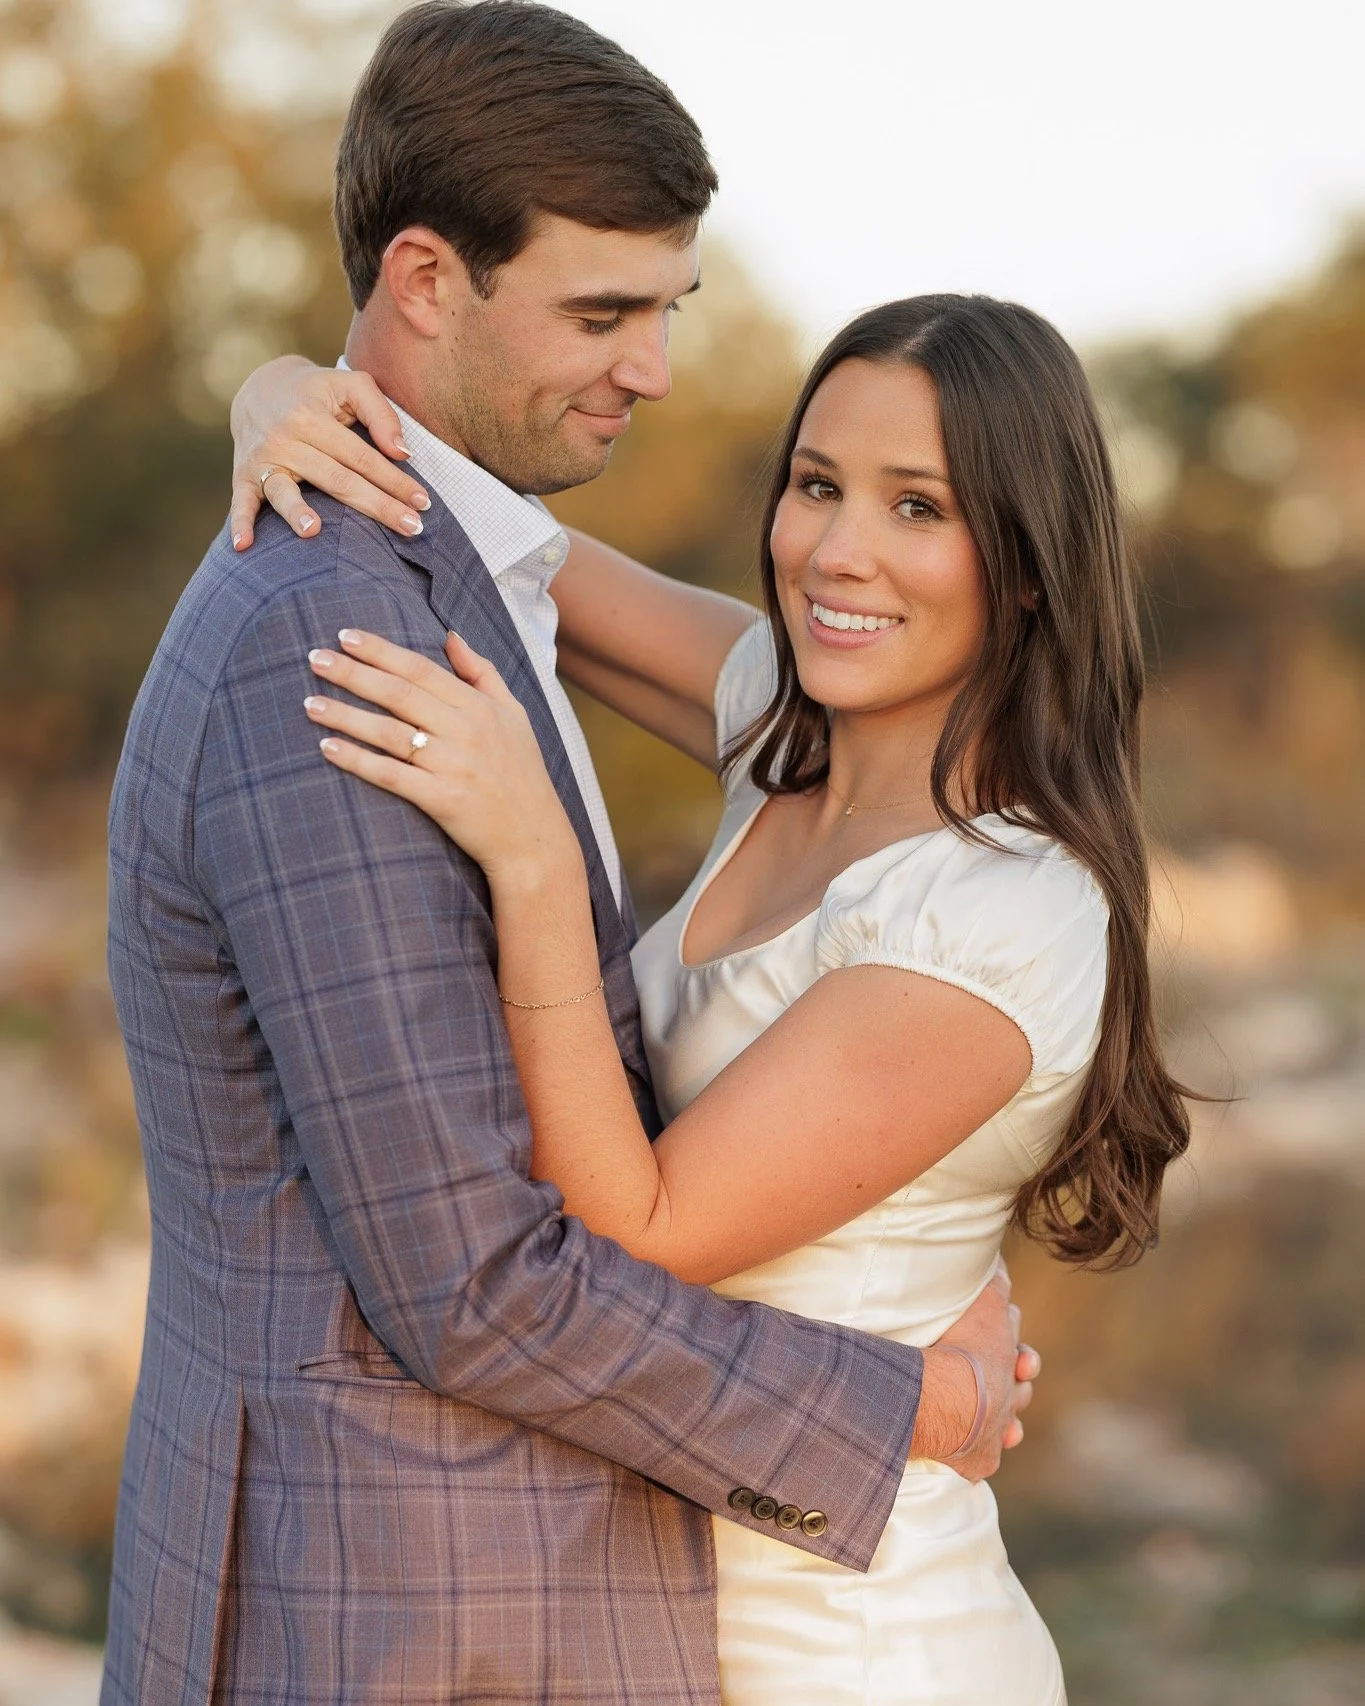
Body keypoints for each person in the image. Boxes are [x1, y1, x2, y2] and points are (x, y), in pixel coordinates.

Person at [103, 6, 1034, 1705]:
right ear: (426, 279)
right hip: (414, 1607)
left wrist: (298, 380)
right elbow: (469, 1280)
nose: (655, 368)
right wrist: (913, 1409)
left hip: (604, 1591)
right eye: (601, 313)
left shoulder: (537, 604)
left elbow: (514, 538)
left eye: (666, 309)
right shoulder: (340, 640)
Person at [229, 284, 1193, 1700]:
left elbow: (637, 1228)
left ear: (1030, 563)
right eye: (817, 484)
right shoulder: (783, 727)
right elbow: (510, 555)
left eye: (918, 507)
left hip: (852, 1645)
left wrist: (538, 871)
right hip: (655, 1602)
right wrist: (277, 398)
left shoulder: (1000, 912)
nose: (836, 550)